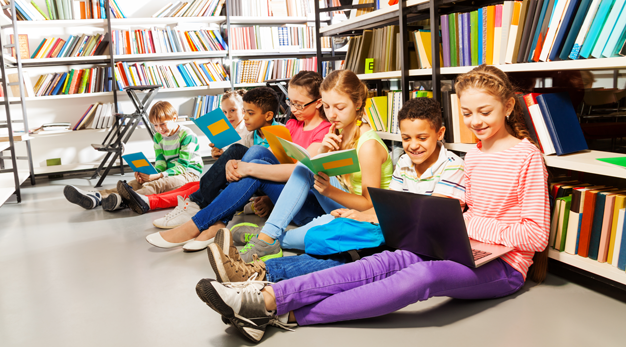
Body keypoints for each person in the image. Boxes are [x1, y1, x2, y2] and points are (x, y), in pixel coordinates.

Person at [195, 64, 551, 343]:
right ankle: (267, 297)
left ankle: (283, 313)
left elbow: (535, 236)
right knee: (386, 261)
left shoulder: (527, 157)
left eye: (484, 112)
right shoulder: (474, 154)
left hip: (503, 266)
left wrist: (469, 224)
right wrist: (441, 216)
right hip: (457, 245)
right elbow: (456, 203)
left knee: (422, 275)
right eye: (468, 113)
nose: (476, 122)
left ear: (507, 106)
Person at [207, 97, 466, 283]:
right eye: (407, 138)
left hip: (413, 241)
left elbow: (429, 218)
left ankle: (260, 257)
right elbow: (389, 206)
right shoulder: (405, 163)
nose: (413, 146)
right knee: (330, 244)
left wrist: (363, 215)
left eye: (422, 138)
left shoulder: (452, 166)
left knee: (330, 247)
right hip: (388, 230)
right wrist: (359, 215)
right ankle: (260, 256)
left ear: (440, 133)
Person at [145, 73, 332, 251]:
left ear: (318, 103)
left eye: (300, 105)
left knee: (251, 168)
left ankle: (200, 224)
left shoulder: (325, 132)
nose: (293, 109)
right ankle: (215, 224)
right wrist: (235, 163)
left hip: (306, 206)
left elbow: (299, 172)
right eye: (291, 103)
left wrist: (247, 167)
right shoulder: (293, 124)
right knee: (255, 152)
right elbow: (269, 157)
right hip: (286, 194)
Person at [227, 69, 393, 263]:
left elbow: (369, 205)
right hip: (340, 205)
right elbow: (320, 169)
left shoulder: (368, 146)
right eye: (328, 107)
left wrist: (330, 191)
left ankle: (264, 236)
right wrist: (323, 150)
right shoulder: (336, 131)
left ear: (357, 104)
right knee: (305, 167)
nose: (332, 114)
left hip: (363, 214)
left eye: (340, 107)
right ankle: (267, 236)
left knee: (308, 237)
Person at [63, 101, 202, 213]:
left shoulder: (187, 135)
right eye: (155, 126)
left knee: (156, 184)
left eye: (163, 124)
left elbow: (182, 166)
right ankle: (97, 196)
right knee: (134, 184)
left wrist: (158, 176)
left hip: (189, 174)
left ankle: (123, 200)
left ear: (174, 118)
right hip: (168, 173)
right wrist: (150, 173)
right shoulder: (158, 137)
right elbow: (161, 162)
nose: (159, 129)